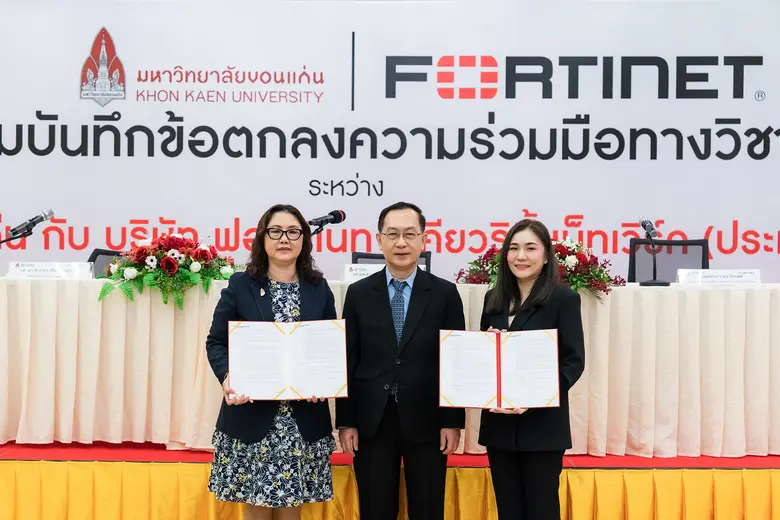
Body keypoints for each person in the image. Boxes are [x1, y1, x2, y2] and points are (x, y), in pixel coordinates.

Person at [335, 201, 466, 520]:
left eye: (410, 234)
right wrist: (347, 420)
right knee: (376, 509)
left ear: (424, 239)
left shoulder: (445, 294)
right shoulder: (359, 293)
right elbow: (348, 358)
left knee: (427, 509)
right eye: (392, 234)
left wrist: (452, 421)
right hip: (372, 421)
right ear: (379, 240)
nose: (401, 243)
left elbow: (455, 362)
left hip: (428, 420)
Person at [205, 204, 337, 520]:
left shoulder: (318, 287)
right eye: (275, 231)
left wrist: (322, 380)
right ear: (262, 238)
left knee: (292, 514)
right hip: (253, 418)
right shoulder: (241, 284)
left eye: (293, 232)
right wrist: (227, 377)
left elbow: (328, 346)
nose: (284, 239)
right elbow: (216, 341)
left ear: (304, 239)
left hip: (301, 422)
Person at [479, 218, 585, 520]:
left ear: (546, 255)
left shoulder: (563, 299)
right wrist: (488, 347)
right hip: (499, 426)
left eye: (530, 248)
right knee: (508, 511)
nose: (520, 256)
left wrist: (535, 396)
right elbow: (483, 361)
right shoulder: (493, 298)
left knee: (542, 510)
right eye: (513, 248)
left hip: (542, 427)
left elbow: (573, 361)